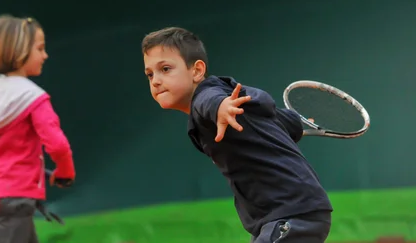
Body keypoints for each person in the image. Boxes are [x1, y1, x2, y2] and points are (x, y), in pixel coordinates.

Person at [141, 27, 333, 243]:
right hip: (280, 216)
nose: (155, 80)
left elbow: (209, 100)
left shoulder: (209, 96)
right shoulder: (240, 108)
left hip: (291, 213)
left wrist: (220, 107)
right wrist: (294, 124)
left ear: (196, 71)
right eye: (150, 74)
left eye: (165, 69)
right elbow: (273, 119)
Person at [0, 14, 76, 243]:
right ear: (20, 52)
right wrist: (65, 173)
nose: (45, 55)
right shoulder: (34, 98)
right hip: (16, 197)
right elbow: (57, 145)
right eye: (40, 49)